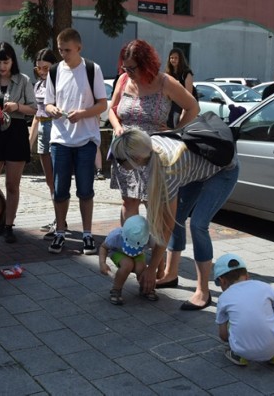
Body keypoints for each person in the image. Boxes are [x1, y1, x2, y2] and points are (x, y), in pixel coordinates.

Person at [109, 127, 239, 310]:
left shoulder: (166, 169)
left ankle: (203, 292)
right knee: (177, 216)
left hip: (223, 171)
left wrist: (151, 268)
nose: (118, 163)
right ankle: (171, 274)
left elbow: (166, 227)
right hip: (194, 170)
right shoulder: (147, 151)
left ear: (136, 158)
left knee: (198, 225)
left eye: (120, 160)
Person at [108, 39, 199, 223]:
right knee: (128, 202)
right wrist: (117, 127)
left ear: (146, 65)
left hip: (153, 155)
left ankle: (154, 249)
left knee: (154, 204)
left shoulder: (165, 82)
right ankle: (130, 247)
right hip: (126, 155)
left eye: (132, 68)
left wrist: (175, 130)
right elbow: (112, 109)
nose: (128, 72)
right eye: (125, 68)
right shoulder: (124, 79)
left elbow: (193, 108)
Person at [44, 28, 108, 255]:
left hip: (86, 139)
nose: (63, 54)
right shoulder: (54, 71)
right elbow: (47, 103)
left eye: (67, 50)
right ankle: (60, 232)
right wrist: (53, 110)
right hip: (60, 139)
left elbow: (103, 104)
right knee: (60, 190)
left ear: (79, 48)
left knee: (85, 190)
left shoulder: (92, 69)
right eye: (60, 50)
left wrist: (82, 113)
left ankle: (88, 234)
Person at [0, 42, 36, 244]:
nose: (2, 66)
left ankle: (9, 224)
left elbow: (35, 108)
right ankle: (1, 216)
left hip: (16, 131)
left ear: (12, 61)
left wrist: (17, 106)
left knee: (12, 184)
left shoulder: (23, 80)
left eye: (6, 61)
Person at [214, 253, 274, 366]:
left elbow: (223, 335)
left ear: (222, 281)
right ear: (247, 275)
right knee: (273, 311)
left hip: (242, 350)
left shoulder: (224, 298)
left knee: (231, 319)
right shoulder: (265, 286)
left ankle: (239, 355)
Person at [31, 48, 61, 240]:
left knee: (59, 180)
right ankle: (58, 218)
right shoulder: (39, 85)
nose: (42, 72)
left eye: (46, 68)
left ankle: (60, 220)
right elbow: (36, 114)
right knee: (50, 180)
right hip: (43, 128)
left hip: (56, 129)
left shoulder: (59, 84)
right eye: (39, 68)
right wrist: (29, 141)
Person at [99, 215, 158, 305]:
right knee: (127, 265)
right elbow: (103, 247)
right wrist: (102, 263)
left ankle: (145, 288)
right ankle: (116, 289)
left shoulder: (149, 238)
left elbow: (157, 252)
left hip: (138, 253)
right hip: (118, 252)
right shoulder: (116, 236)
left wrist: (160, 269)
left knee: (140, 267)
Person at [165, 48, 197, 129]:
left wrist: (184, 112)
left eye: (176, 58)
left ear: (180, 59)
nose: (173, 60)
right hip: (173, 104)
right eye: (171, 58)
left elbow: (188, 95)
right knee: (169, 126)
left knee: (178, 126)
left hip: (184, 104)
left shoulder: (186, 73)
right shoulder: (169, 73)